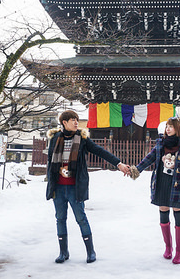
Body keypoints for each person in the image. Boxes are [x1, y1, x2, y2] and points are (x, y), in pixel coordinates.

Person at [46, 109, 130, 264]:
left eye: (77, 119)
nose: (76, 122)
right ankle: (63, 252)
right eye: (73, 120)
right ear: (64, 122)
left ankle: (91, 251)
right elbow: (50, 162)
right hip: (58, 186)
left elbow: (100, 151)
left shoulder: (82, 139)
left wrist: (118, 163)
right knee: (60, 219)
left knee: (81, 218)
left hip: (74, 187)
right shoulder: (55, 138)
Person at [129, 116, 180, 264]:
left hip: (178, 184)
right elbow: (149, 159)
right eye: (167, 127)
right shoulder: (160, 144)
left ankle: (179, 252)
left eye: (171, 126)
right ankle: (168, 248)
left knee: (178, 213)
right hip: (161, 182)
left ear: (178, 128)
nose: (168, 129)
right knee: (163, 212)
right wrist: (136, 170)